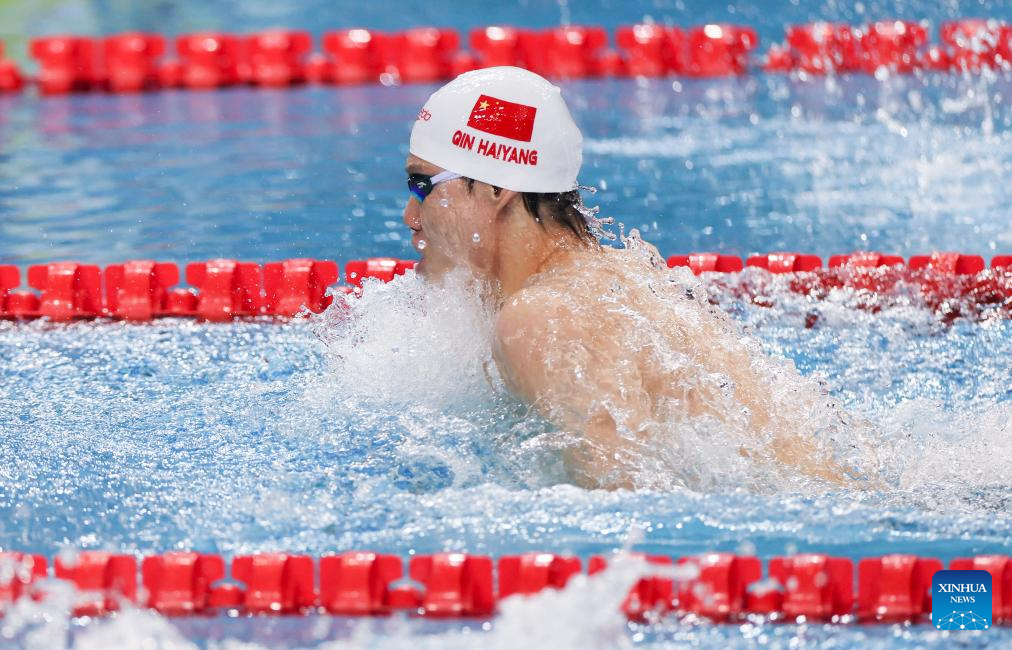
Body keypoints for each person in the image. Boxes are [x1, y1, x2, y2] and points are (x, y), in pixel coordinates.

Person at [402, 66, 860, 490]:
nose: (410, 217)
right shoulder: (625, 273)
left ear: (497, 188)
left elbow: (626, 498)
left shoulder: (538, 318)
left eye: (422, 187)